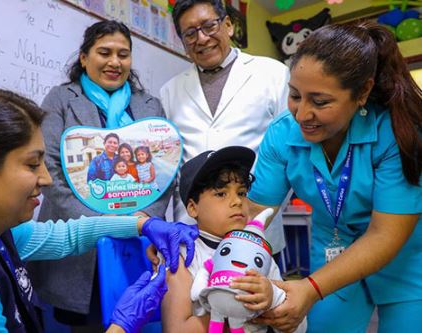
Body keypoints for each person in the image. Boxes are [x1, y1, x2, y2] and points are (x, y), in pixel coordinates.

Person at [0, 88, 198, 333]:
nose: (47, 178)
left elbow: (69, 235)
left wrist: (143, 225)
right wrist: (122, 327)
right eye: (32, 165)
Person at [247, 22, 422, 333]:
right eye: (295, 95)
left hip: (405, 256)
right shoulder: (282, 135)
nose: (301, 114)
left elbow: (385, 235)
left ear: (362, 92)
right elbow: (254, 215)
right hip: (332, 249)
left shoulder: (396, 134)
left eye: (320, 101)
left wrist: (311, 289)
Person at [27, 20, 174, 325]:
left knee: (137, 316)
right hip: (75, 247)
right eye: (104, 52)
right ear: (84, 57)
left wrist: (139, 221)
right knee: (85, 324)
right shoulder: (61, 99)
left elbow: (165, 170)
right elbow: (49, 166)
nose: (114, 62)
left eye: (123, 54)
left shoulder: (149, 106)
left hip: (137, 238)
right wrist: (103, 223)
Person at [160, 0, 289, 258]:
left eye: (209, 26)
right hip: (192, 234)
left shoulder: (273, 74)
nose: (202, 38)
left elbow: (289, 152)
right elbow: (169, 167)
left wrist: (263, 213)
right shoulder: (169, 92)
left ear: (228, 25)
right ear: (183, 41)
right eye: (190, 33)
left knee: (260, 297)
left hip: (256, 228)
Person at [161, 146, 307, 333]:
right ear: (192, 208)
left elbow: (298, 326)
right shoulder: (181, 254)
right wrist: (236, 310)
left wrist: (272, 298)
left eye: (242, 193)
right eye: (221, 194)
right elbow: (176, 330)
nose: (237, 201)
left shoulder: (259, 251)